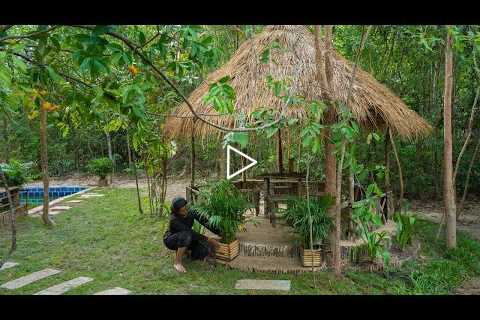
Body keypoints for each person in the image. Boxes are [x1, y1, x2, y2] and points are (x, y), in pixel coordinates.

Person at [163, 196, 220, 273]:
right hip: (171, 240)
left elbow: (205, 222)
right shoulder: (174, 220)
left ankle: (187, 252)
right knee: (186, 235)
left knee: (204, 250)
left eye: (186, 209)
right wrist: (209, 239)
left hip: (188, 237)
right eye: (182, 211)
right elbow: (190, 232)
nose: (186, 212)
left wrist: (220, 232)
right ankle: (177, 262)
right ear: (176, 211)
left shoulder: (191, 211)